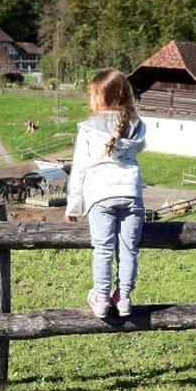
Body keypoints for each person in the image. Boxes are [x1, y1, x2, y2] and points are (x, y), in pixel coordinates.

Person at [65, 68, 146, 319]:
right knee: (129, 249)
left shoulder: (89, 127)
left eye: (92, 94)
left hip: (101, 195)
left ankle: (101, 298)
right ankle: (123, 298)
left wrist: (73, 207)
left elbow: (79, 169)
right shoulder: (137, 125)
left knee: (102, 249)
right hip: (132, 193)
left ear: (101, 96)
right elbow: (138, 148)